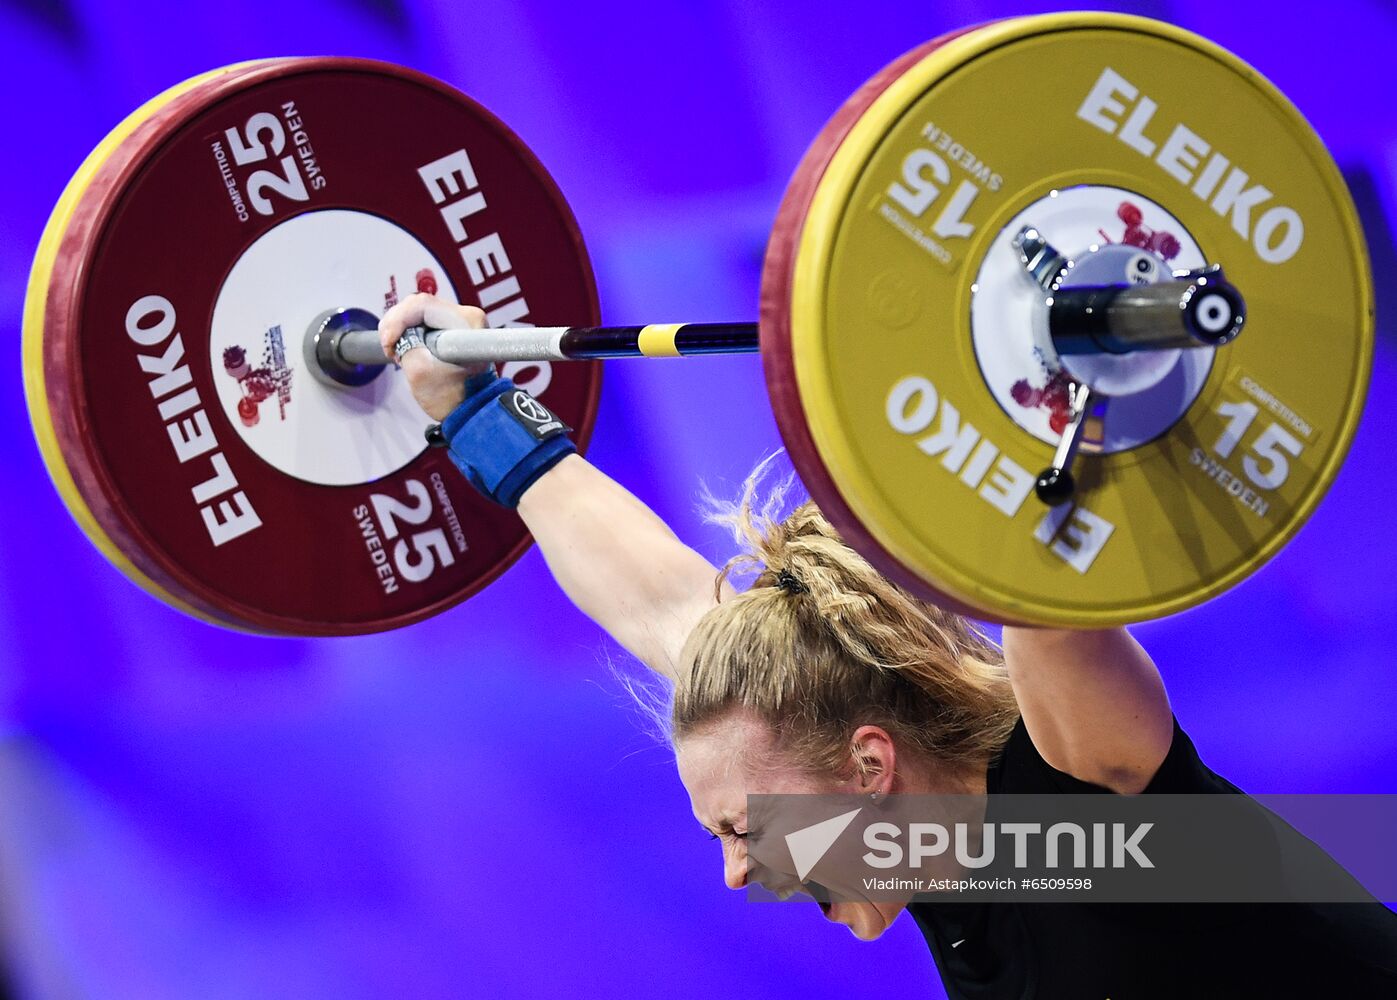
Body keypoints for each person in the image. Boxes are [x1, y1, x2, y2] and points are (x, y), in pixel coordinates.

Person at [380, 295, 1397, 998]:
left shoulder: (1088, 801)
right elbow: (653, 605)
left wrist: (1051, 397)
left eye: (741, 827)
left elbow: (1038, 591)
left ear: (870, 764)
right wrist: (468, 408)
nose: (737, 872)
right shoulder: (919, 841)